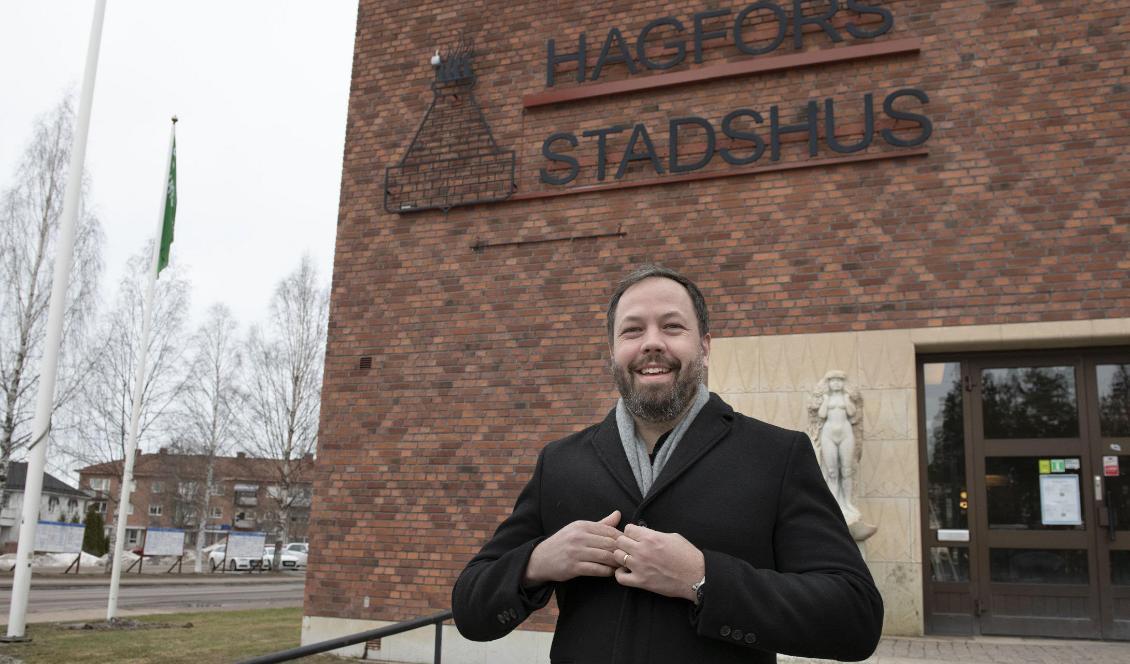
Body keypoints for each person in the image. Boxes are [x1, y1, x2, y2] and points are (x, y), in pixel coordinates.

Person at [452, 265, 883, 663]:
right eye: (633, 330)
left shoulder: (777, 455)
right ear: (613, 351)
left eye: (672, 327)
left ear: (705, 347)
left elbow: (855, 617)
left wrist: (702, 579)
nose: (652, 342)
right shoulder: (560, 462)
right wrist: (537, 561)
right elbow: (471, 610)